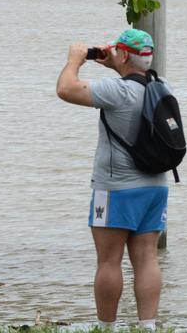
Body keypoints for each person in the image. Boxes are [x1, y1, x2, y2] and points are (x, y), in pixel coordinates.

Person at [55, 29, 167, 329]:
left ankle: (107, 327)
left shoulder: (116, 91)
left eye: (118, 51)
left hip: (116, 189)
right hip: (156, 186)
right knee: (147, 258)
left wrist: (75, 60)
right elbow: (133, 78)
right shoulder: (162, 86)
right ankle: (148, 326)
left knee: (108, 260)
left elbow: (66, 89)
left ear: (125, 54)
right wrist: (117, 63)